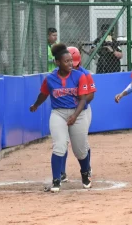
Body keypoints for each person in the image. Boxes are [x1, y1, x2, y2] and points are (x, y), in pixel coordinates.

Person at [30, 43, 91, 192]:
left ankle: (85, 174)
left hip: (78, 113)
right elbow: (44, 94)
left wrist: (75, 116)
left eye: (71, 61)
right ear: (57, 62)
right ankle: (56, 180)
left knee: (80, 149)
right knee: (59, 146)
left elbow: (83, 99)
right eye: (66, 61)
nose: (70, 64)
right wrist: (36, 105)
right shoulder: (50, 78)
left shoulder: (79, 76)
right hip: (58, 113)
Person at [58, 47, 96, 182]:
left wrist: (79, 103)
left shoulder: (85, 74)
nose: (70, 66)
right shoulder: (59, 74)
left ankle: (87, 168)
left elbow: (90, 95)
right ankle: (61, 172)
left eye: (73, 63)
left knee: (82, 142)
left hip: (83, 111)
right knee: (62, 141)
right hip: (64, 111)